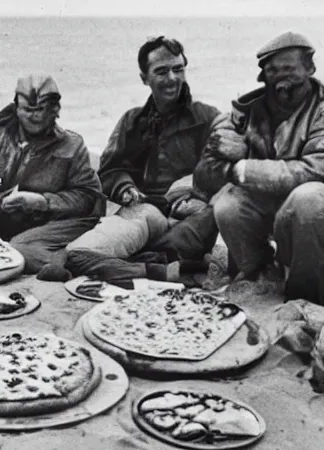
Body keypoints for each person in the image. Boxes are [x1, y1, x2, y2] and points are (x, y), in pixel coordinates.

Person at [64, 36, 220, 284]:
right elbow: (109, 171)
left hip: (194, 219)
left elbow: (226, 172)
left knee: (194, 238)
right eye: (161, 71)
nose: (172, 78)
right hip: (147, 213)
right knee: (76, 256)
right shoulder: (132, 121)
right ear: (144, 78)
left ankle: (153, 263)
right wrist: (125, 188)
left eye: (178, 69)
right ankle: (156, 270)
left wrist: (195, 193)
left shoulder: (209, 118)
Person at [195, 32, 324, 304]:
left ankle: (305, 295)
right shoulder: (244, 111)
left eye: (289, 68)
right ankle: (260, 273)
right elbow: (203, 177)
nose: (281, 77)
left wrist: (241, 165)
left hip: (313, 216)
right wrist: (223, 159)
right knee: (228, 202)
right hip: (271, 209)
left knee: (309, 198)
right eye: (272, 70)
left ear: (310, 69)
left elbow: (314, 170)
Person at [0, 74, 103, 275]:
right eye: (26, 109)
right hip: (7, 224)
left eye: (39, 110)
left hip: (61, 221)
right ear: (16, 108)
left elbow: (86, 199)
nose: (32, 116)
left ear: (54, 110)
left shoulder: (72, 146)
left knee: (19, 250)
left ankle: (84, 266)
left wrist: (42, 202)